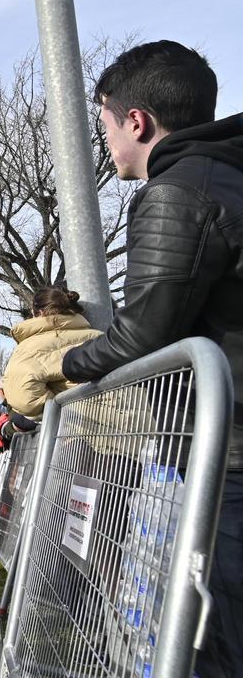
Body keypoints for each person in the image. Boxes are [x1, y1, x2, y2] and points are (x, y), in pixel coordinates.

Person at [56, 41, 242, 678]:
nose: (106, 142)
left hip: (227, 463)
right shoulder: (226, 175)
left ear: (135, 121)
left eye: (103, 124)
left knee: (210, 637)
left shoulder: (177, 191)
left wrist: (66, 366)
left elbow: (142, 335)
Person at [0, 287, 102, 448]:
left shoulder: (29, 348)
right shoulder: (100, 336)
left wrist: (58, 412)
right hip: (130, 430)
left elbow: (24, 397)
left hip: (81, 438)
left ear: (37, 312)